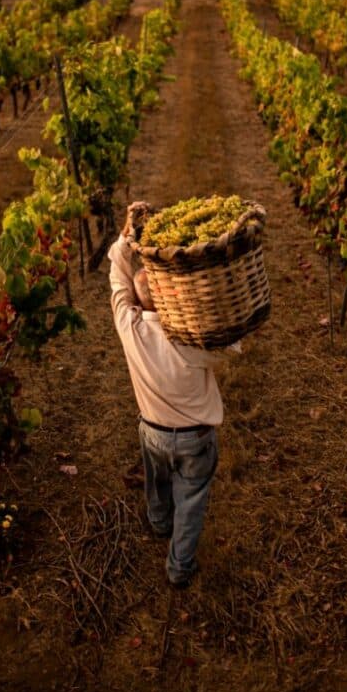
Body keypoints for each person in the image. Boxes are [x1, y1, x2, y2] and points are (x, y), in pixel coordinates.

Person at [108, 201, 237, 589]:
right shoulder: (191, 334)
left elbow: (116, 273)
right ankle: (179, 567)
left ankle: (159, 521)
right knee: (192, 498)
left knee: (157, 479)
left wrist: (127, 234)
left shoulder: (128, 327)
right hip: (196, 436)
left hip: (152, 431)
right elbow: (230, 345)